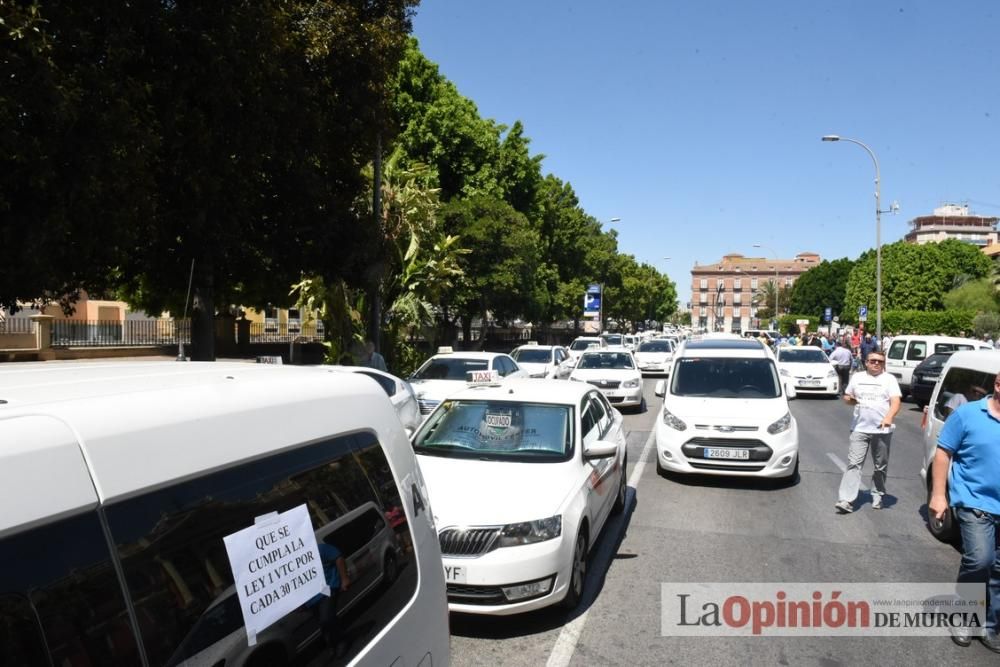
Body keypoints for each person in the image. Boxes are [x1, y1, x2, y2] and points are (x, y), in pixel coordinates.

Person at [930, 372, 1000, 652]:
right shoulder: (968, 414)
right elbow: (943, 453)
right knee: (980, 560)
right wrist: (938, 495)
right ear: (997, 384)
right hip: (974, 502)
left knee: (998, 569)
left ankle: (990, 625)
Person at [835, 350, 902, 513]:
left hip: (881, 430)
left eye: (880, 361)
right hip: (859, 428)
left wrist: (888, 417)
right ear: (866, 362)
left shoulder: (889, 379)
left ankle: (878, 493)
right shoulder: (857, 377)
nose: (876, 363)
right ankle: (846, 500)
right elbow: (847, 396)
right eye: (873, 361)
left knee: (880, 466)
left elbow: (896, 401)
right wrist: (850, 400)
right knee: (854, 464)